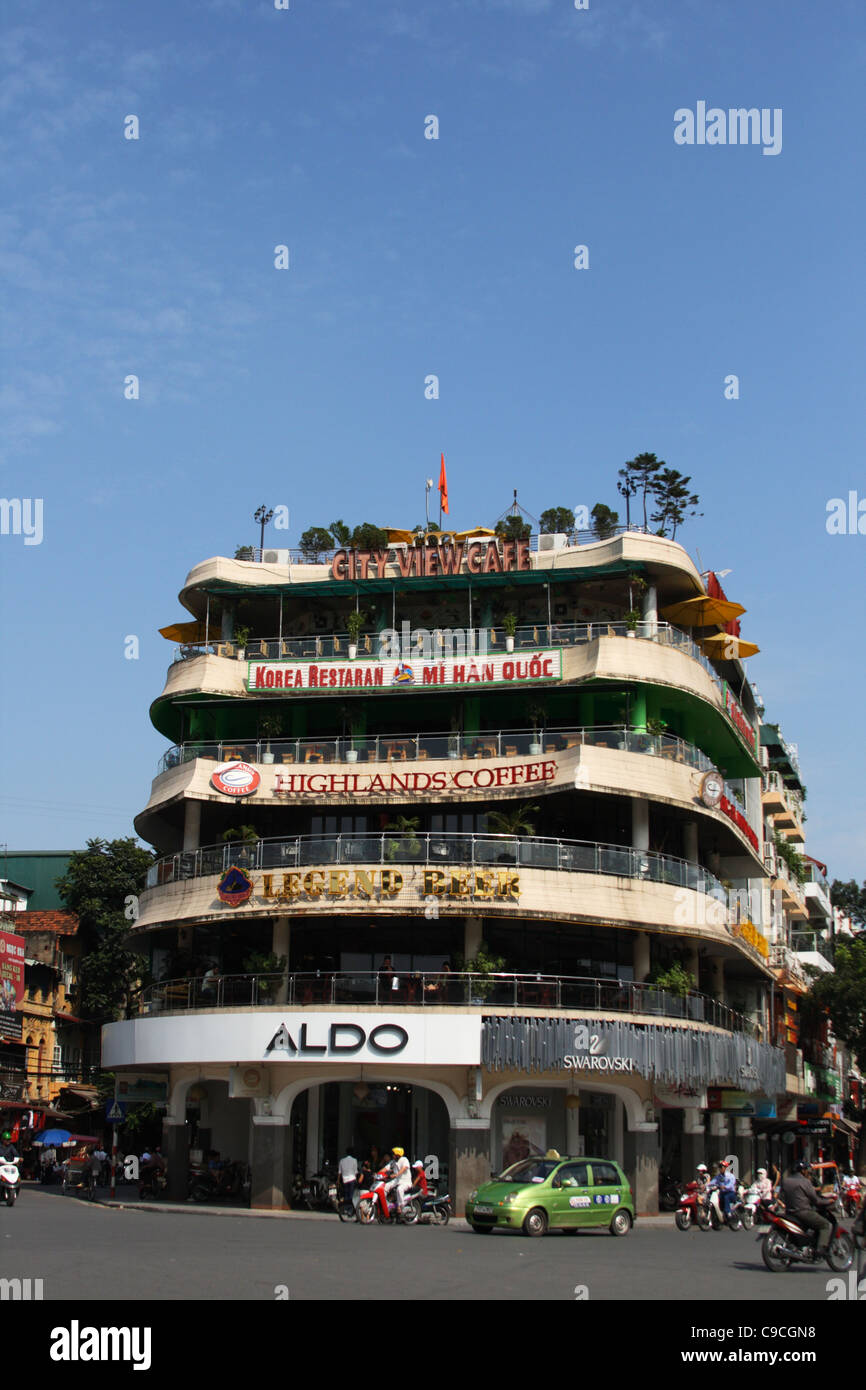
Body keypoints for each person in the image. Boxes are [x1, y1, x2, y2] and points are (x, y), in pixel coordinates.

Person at [779, 1159, 835, 1252]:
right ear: (803, 1170)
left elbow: (781, 1196)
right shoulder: (805, 1182)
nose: (808, 1172)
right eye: (806, 1170)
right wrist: (829, 1201)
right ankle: (820, 1250)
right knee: (825, 1224)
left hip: (789, 1212)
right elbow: (816, 1200)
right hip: (803, 1212)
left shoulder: (786, 1181)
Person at [383, 1146, 412, 1215]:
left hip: (406, 1182)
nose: (392, 1156)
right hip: (397, 1180)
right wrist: (378, 1174)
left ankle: (401, 1206)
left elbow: (404, 1168)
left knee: (400, 1189)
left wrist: (397, 1174)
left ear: (398, 1155)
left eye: (394, 1154)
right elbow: (386, 1168)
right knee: (385, 1186)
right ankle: (387, 1205)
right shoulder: (393, 1162)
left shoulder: (404, 1159)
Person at [338, 1149, 359, 1213]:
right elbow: (355, 1171)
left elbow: (339, 1172)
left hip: (345, 1179)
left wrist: (338, 1180)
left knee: (346, 1195)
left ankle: (346, 1209)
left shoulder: (342, 1160)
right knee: (351, 1195)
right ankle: (351, 1209)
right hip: (352, 1179)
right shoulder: (354, 1160)